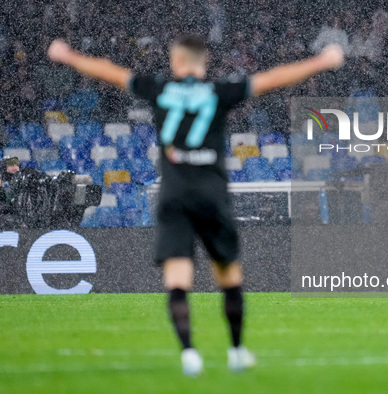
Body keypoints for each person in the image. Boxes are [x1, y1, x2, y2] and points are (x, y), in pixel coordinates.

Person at [48, 35, 344, 376]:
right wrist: (321, 61)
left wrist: (69, 55)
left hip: (174, 194)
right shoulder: (218, 91)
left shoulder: (159, 90)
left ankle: (189, 354)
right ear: (202, 65)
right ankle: (235, 351)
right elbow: (273, 79)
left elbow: (110, 72)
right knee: (229, 276)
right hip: (211, 195)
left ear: (176, 62)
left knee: (177, 279)